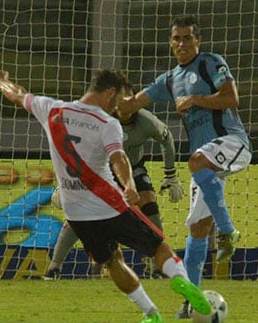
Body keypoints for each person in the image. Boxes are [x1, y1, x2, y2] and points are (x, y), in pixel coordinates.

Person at [0, 68, 210, 323]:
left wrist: (1, 81)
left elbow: (18, 95)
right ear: (109, 93)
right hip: (109, 204)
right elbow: (119, 157)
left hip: (76, 213)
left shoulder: (50, 109)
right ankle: (181, 280)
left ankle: (151, 314)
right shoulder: (107, 124)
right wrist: (129, 185)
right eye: (118, 100)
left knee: (112, 261)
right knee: (158, 246)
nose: (118, 107)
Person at [118, 15, 252, 319]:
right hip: (205, 160)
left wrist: (195, 99)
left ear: (198, 40)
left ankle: (229, 231)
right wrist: (110, 101)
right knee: (197, 229)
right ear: (170, 42)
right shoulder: (169, 79)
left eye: (188, 38)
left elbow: (232, 99)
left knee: (195, 161)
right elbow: (132, 104)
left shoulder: (209, 63)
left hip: (231, 142)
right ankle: (190, 302)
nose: (182, 44)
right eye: (176, 39)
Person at [43, 81, 184, 280]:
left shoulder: (146, 122)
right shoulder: (100, 121)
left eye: (130, 100)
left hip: (133, 170)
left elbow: (167, 140)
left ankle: (157, 268)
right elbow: (77, 147)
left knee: (148, 201)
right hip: (100, 171)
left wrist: (171, 175)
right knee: (81, 214)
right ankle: (54, 267)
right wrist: (69, 181)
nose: (125, 104)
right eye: (121, 99)